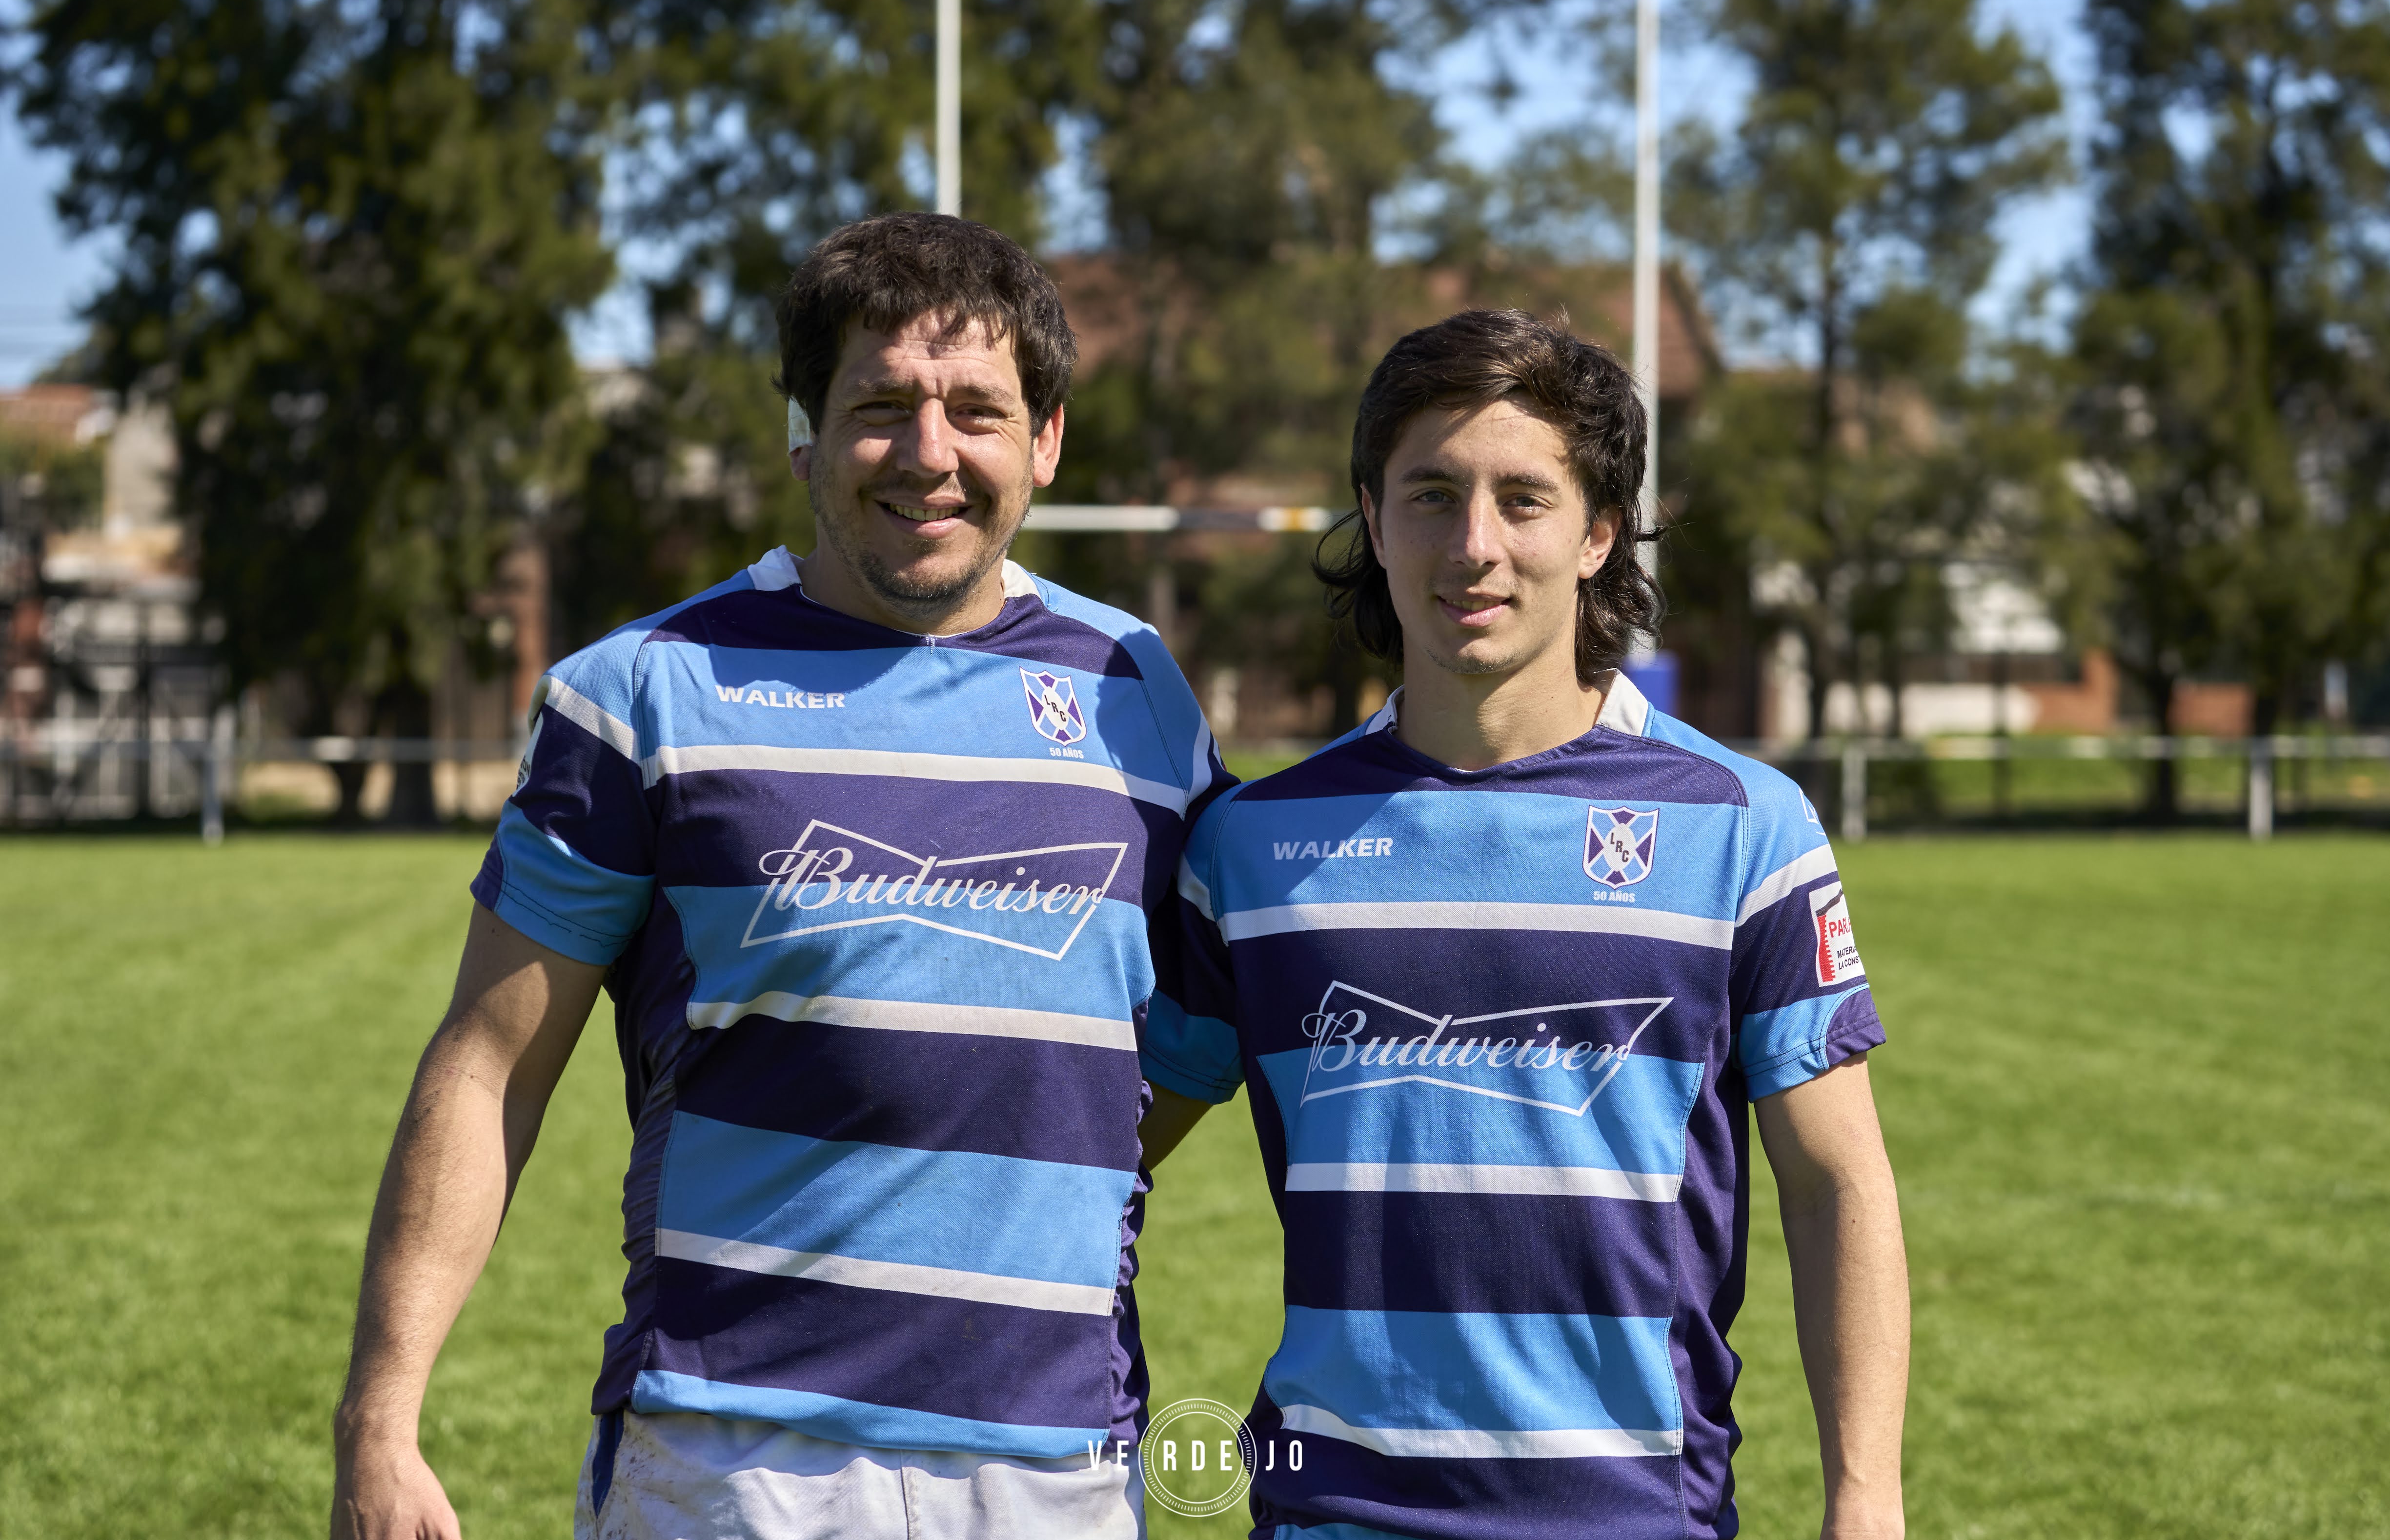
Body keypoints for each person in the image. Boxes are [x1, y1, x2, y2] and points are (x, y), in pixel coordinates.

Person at [331, 212, 1226, 1540]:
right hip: (734, 1457)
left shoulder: (1135, 694)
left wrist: (1029, 1167)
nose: (929, 453)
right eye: (881, 407)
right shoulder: (640, 694)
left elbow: (1201, 1031)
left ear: (1045, 441)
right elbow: (489, 1065)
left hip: (1056, 1462)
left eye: (977, 411)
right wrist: (380, 1417)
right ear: (805, 434)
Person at [1140, 310, 1908, 1540]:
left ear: (1600, 531)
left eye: (1524, 499)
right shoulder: (1253, 845)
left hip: (1632, 1516)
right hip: (1332, 1515)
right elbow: (1091, 1149)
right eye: (1431, 496)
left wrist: (1864, 1501)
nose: (1474, 546)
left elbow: (1833, 1184)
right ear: (1373, 519)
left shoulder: (1742, 827)